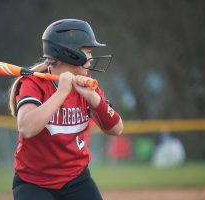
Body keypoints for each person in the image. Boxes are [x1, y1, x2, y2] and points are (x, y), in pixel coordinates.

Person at [9, 19, 123, 200]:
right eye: (88, 52)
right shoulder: (33, 83)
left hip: (76, 179)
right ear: (69, 54)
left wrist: (93, 98)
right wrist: (61, 93)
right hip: (34, 183)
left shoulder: (85, 83)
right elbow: (26, 128)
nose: (91, 58)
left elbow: (116, 129)